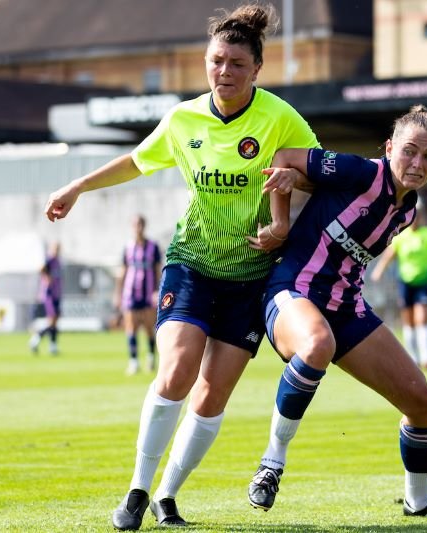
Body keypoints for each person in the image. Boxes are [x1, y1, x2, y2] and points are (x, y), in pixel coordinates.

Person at [43, 4, 319, 529]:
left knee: (212, 394)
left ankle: (168, 494)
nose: (225, 71)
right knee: (176, 371)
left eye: (238, 63)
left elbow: (316, 173)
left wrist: (289, 205)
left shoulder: (281, 118)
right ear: (205, 62)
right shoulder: (183, 118)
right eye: (217, 60)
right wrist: (77, 185)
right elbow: (136, 160)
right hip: (191, 260)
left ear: (257, 70)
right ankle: (136, 492)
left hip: (250, 275)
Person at [246, 105, 427, 520]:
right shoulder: (362, 172)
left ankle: (418, 504)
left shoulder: (408, 211)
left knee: (423, 404)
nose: (417, 163)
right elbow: (285, 158)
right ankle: (271, 464)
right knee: (317, 344)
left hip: (346, 307)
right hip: (292, 291)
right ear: (389, 148)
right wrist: (280, 224)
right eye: (409, 151)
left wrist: (305, 184)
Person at [370, 205, 427, 370]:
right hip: (405, 282)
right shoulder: (401, 236)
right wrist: (379, 271)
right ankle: (413, 359)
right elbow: (390, 255)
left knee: (422, 317)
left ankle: (426, 358)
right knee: (409, 321)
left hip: (425, 281)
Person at [114, 215, 163, 375]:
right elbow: (122, 272)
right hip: (131, 293)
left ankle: (150, 358)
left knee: (149, 328)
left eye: (140, 224)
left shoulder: (153, 247)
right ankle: (134, 361)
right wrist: (118, 294)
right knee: (131, 327)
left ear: (144, 226)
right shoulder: (128, 247)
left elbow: (158, 270)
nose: (138, 228)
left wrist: (158, 290)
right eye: (135, 225)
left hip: (148, 293)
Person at [29, 241, 63, 355]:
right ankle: (35, 339)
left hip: (57, 294)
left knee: (55, 322)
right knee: (52, 321)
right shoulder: (49, 259)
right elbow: (41, 269)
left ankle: (52, 346)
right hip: (50, 295)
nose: (57, 250)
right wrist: (47, 278)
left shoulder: (58, 261)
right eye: (55, 248)